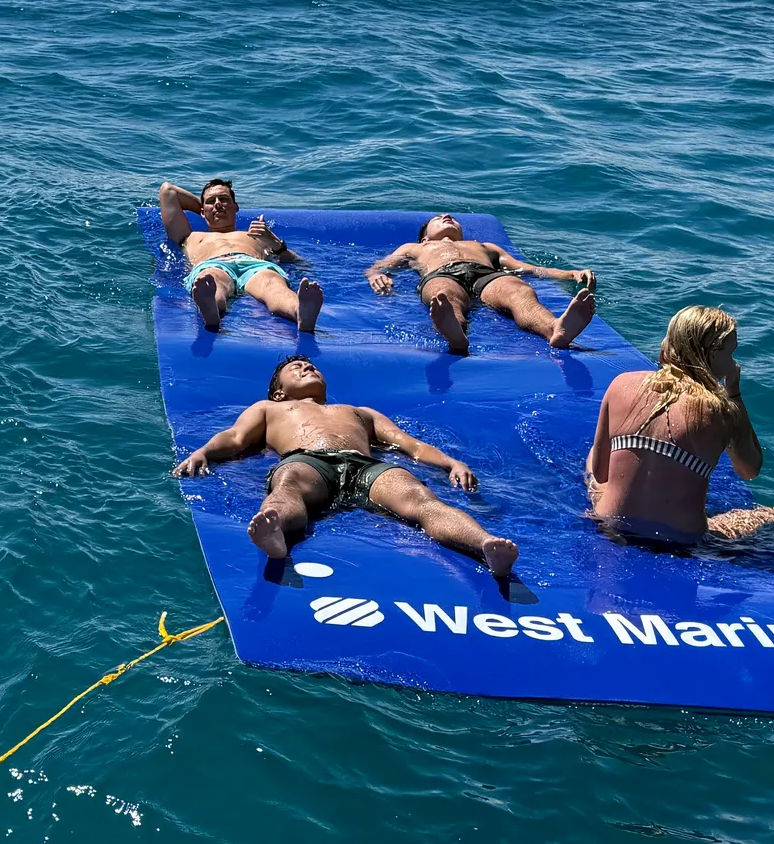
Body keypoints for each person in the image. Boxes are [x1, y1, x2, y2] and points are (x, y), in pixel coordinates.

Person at [174, 355, 518, 579]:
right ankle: (276, 533)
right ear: (279, 392)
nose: (308, 368)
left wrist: (450, 462)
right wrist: (203, 452)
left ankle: (485, 545)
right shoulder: (269, 408)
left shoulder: (359, 412)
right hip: (307, 460)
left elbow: (408, 444)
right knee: (288, 483)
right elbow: (235, 438)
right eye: (297, 368)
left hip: (365, 467)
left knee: (417, 495)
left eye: (312, 366)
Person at [586, 305, 774, 543]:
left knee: (594, 456)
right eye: (730, 354)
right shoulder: (721, 410)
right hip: (679, 541)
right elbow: (749, 470)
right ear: (713, 354)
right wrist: (734, 395)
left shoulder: (621, 383)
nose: (733, 363)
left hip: (609, 525)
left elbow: (601, 474)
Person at [366, 213, 595, 355]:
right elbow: (380, 266)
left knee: (518, 290)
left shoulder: (484, 246)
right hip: (442, 274)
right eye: (438, 218)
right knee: (443, 295)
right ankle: (456, 335)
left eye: (453, 218)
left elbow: (525, 268)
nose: (447, 215)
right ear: (425, 237)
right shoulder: (414, 248)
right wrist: (377, 274)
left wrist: (569, 274)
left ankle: (554, 329)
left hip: (487, 275)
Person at [158, 177, 323, 333]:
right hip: (213, 264)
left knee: (272, 283)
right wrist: (203, 208)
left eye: (223, 200)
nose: (217, 205)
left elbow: (300, 263)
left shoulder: (257, 235)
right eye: (210, 201)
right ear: (202, 210)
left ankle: (299, 311)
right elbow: (168, 191)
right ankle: (211, 308)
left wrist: (274, 243)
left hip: (255, 265)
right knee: (211, 279)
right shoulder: (189, 237)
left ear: (236, 207)